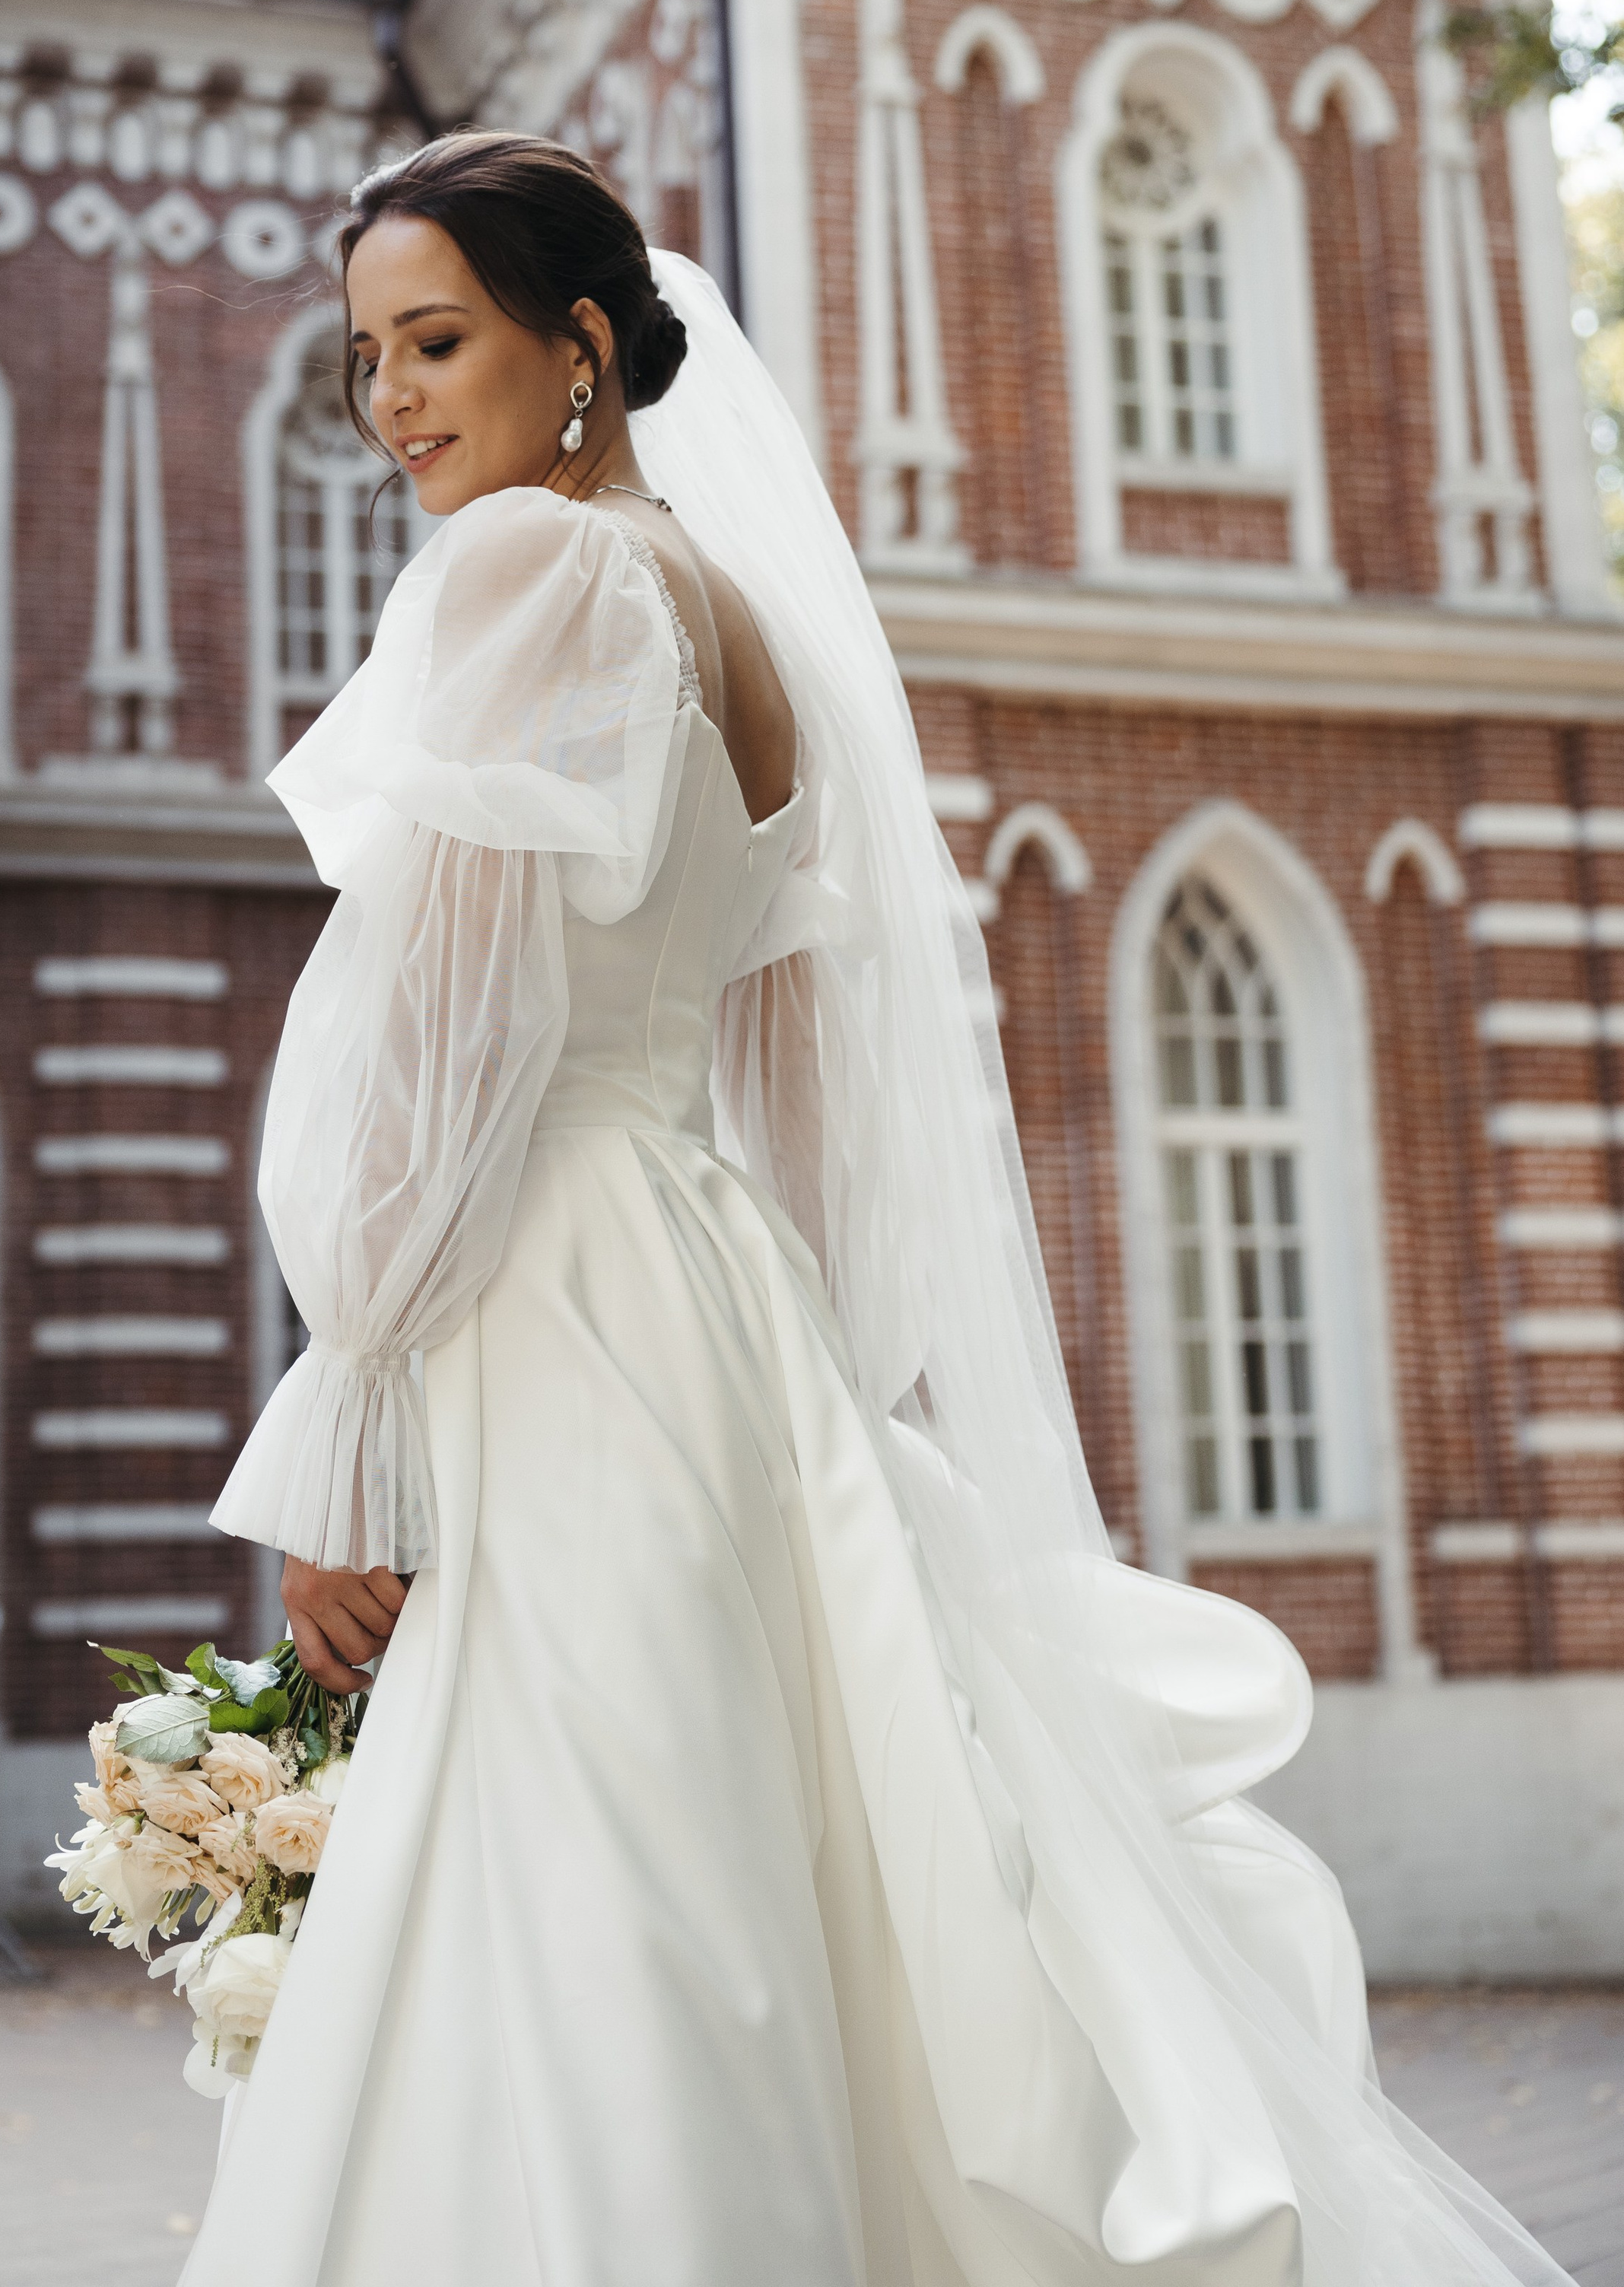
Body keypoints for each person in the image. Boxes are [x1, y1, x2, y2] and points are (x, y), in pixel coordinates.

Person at [186, 133, 1565, 2287]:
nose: (393, 402)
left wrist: (346, 1403)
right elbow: (800, 1084)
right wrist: (789, 1360)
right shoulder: (748, 629)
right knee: (738, 1856)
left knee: (597, 1864)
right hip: (708, 1291)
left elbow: (436, 1039)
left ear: (577, 352)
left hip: (545, 1288)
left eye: (436, 341)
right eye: (367, 358)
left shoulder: (529, 577)